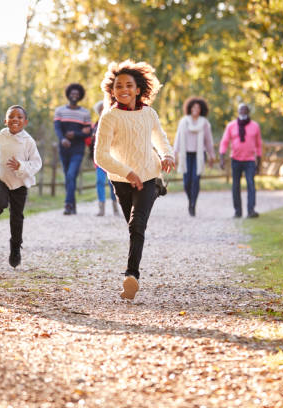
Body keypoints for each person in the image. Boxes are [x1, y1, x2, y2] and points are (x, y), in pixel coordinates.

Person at [94, 60, 175, 300]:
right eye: (119, 86)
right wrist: (128, 173)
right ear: (113, 91)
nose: (124, 89)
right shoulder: (110, 118)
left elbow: (159, 137)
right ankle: (158, 188)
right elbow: (100, 155)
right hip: (121, 179)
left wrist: (167, 154)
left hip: (148, 174)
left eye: (129, 85)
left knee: (136, 224)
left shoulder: (149, 113)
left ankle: (131, 276)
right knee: (132, 222)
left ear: (138, 89)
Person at [0, 105, 42, 268]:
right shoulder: (0, 137)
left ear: (25, 122)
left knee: (16, 217)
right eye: (12, 116)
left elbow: (36, 163)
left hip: (20, 184)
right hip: (1, 178)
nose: (15, 119)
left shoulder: (29, 141)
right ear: (5, 120)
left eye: (19, 117)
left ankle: (15, 248)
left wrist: (21, 166)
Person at [173, 96, 216, 216]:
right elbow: (178, 139)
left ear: (201, 109)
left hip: (199, 156)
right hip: (185, 155)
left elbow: (208, 141)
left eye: (198, 107)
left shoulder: (204, 123)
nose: (195, 109)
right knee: (187, 182)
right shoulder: (183, 121)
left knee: (195, 180)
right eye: (193, 107)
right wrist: (174, 154)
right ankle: (190, 200)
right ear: (189, 108)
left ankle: (193, 204)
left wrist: (212, 156)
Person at [54, 83, 92, 215]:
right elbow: (58, 128)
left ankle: (68, 205)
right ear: (68, 94)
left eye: (77, 94)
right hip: (63, 149)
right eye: (72, 93)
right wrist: (62, 139)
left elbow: (88, 132)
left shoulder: (85, 113)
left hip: (78, 149)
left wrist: (75, 134)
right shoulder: (59, 111)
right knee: (69, 177)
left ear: (80, 96)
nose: (74, 96)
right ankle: (73, 204)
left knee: (71, 175)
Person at [219, 103, 262, 218]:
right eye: (241, 110)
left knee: (251, 185)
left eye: (245, 110)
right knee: (235, 186)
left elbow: (259, 145)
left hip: (250, 161)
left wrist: (259, 161)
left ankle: (251, 210)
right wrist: (222, 157)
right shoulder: (231, 126)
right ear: (238, 112)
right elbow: (224, 142)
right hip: (236, 160)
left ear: (248, 112)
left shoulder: (255, 126)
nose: (243, 112)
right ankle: (238, 211)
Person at [89, 100, 119, 216]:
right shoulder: (95, 126)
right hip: (99, 159)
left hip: (112, 159)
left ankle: (115, 205)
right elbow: (92, 144)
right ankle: (101, 208)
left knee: (113, 183)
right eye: (101, 109)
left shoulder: (114, 125)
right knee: (100, 181)